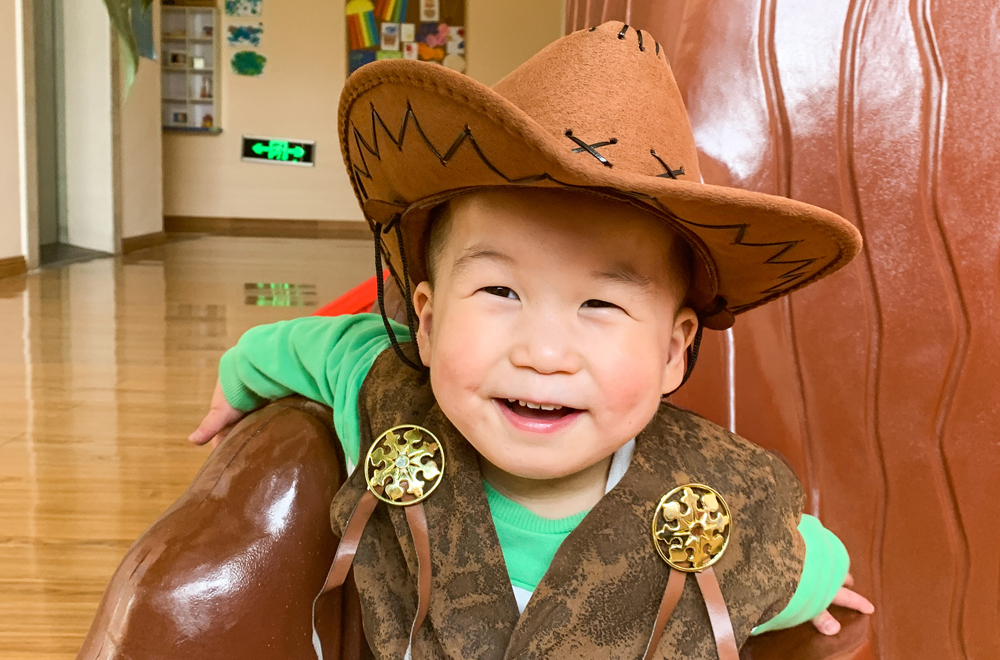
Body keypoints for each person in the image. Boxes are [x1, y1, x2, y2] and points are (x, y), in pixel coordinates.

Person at [190, 22, 873, 659]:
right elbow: (302, 348)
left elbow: (794, 561)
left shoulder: (721, 498)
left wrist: (821, 585)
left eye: (600, 304)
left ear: (673, 350)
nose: (543, 355)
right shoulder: (383, 389)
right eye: (500, 292)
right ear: (426, 323)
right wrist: (238, 379)